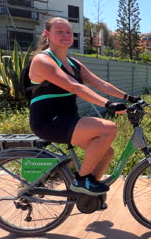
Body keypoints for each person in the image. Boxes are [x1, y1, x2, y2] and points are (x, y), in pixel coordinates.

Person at [28, 17, 138, 196]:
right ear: (48, 35)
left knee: (106, 153)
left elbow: (101, 84)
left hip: (68, 120)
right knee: (109, 128)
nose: (66, 35)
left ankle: (87, 194)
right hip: (49, 121)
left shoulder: (73, 63)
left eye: (69, 32)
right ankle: (82, 180)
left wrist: (130, 97)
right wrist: (108, 104)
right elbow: (75, 87)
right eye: (60, 31)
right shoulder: (42, 60)